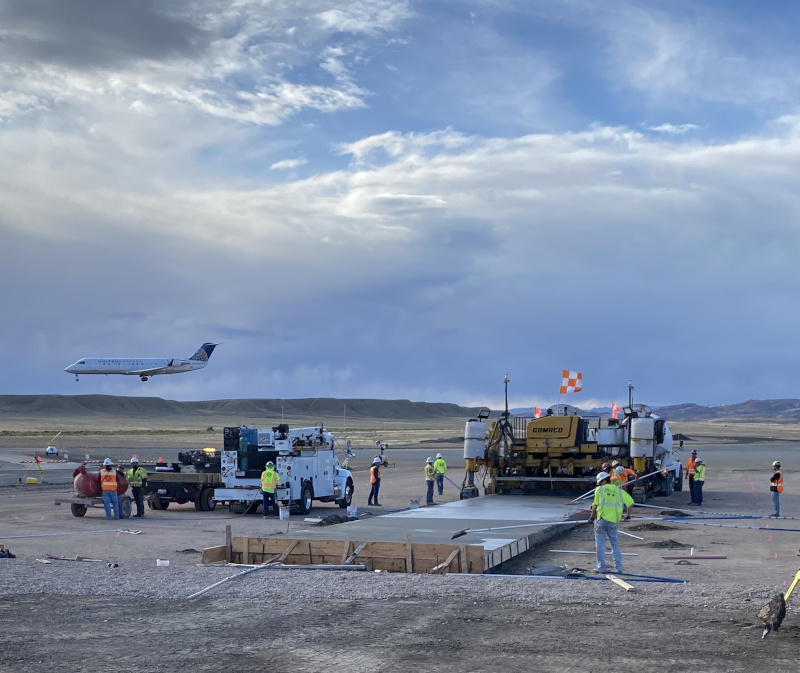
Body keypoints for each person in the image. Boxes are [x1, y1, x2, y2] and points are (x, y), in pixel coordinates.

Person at [590, 471, 633, 574]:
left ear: (603, 481)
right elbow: (630, 503)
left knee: (600, 543)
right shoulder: (619, 491)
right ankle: (619, 568)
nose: (600, 484)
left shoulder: (599, 490)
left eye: (600, 482)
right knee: (614, 544)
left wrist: (591, 518)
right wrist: (628, 515)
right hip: (613, 521)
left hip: (601, 520)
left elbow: (595, 506)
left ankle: (601, 567)